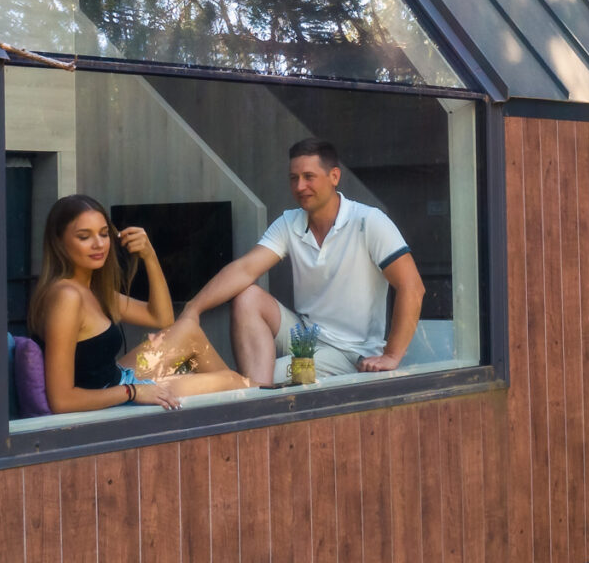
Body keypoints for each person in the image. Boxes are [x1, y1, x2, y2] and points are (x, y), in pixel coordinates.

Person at [170, 138, 425, 385]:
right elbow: (244, 269)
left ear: (334, 177)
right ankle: (253, 392)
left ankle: (251, 392)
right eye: (294, 178)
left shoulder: (368, 221)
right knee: (247, 295)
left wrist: (391, 355)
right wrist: (192, 310)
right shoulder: (289, 222)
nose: (300, 186)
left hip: (350, 353)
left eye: (308, 177)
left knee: (268, 378)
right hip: (307, 337)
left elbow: (412, 286)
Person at [29, 195, 250, 413]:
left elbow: (162, 318)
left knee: (188, 330)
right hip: (109, 401)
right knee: (230, 381)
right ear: (59, 242)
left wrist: (150, 256)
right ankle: (248, 410)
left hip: (119, 380)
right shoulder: (67, 297)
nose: (98, 244)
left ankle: (240, 405)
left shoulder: (91, 289)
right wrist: (132, 392)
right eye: (84, 237)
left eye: (104, 234)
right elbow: (62, 401)